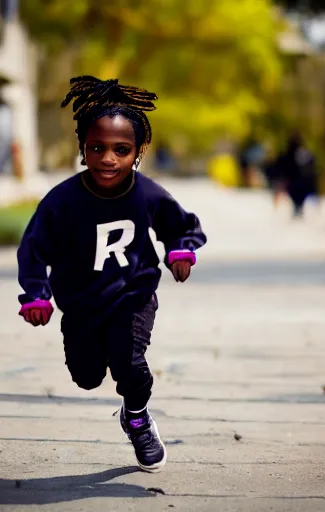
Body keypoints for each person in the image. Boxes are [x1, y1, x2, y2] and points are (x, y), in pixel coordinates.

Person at [16, 76, 207, 473]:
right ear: (82, 148)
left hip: (132, 297)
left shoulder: (147, 193)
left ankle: (137, 418)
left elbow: (180, 224)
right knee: (86, 377)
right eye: (97, 148)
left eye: (121, 150)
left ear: (138, 151)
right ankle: (117, 398)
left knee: (129, 362)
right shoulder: (63, 201)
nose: (108, 159)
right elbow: (33, 248)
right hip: (82, 305)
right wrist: (36, 294)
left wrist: (179, 251)